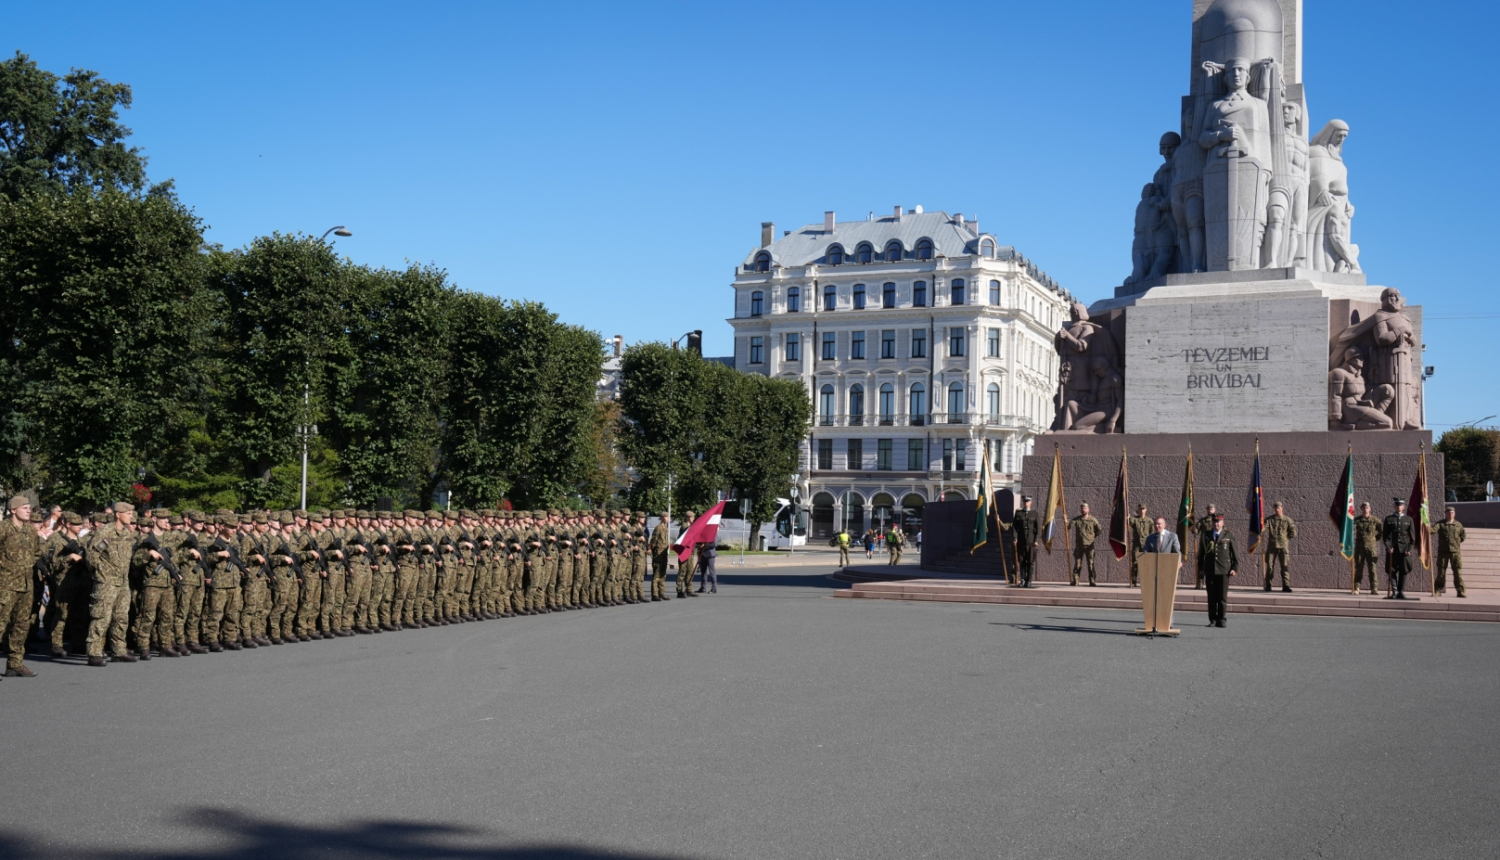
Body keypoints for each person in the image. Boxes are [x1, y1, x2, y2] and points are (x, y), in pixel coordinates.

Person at [85, 502, 139, 666]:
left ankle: (119, 650)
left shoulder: (126, 534)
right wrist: (100, 574)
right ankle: (94, 652)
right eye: (128, 513)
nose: (131, 516)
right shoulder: (106, 532)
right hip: (107, 582)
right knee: (102, 616)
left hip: (122, 582)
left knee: (121, 617)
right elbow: (92, 555)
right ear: (118, 514)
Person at [0, 495, 42, 677]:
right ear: (13, 510)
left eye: (29, 508)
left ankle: (15, 664)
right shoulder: (3, 528)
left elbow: (36, 553)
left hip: (26, 585)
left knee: (21, 625)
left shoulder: (30, 531)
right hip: (5, 585)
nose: (28, 510)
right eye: (24, 508)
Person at [1197, 513, 1238, 628]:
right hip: (1210, 570)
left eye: (1219, 521)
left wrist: (1234, 568)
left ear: (1222, 523)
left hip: (1224, 570)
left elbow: (1234, 553)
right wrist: (1200, 568)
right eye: (1215, 522)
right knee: (1211, 597)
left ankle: (1221, 619)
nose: (1216, 524)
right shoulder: (1206, 535)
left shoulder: (1228, 535)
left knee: (1222, 597)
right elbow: (1201, 554)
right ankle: (1212, 619)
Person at [1382, 498, 1416, 600]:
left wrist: (1409, 549)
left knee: (1403, 570)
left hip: (1404, 550)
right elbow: (1386, 536)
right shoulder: (1388, 519)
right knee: (1392, 570)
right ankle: (1395, 592)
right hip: (1393, 549)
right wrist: (1388, 547)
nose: (1399, 507)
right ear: (1394, 507)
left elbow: (1413, 538)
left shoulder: (1409, 519)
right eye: (1397, 505)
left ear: (1404, 507)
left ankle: (1401, 592)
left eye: (1400, 505)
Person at [1263, 502, 1298, 592]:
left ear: (1282, 508)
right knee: (1270, 566)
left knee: (1284, 566)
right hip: (1272, 546)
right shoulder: (1270, 520)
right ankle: (1268, 585)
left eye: (1278, 508)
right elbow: (1263, 529)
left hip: (1283, 547)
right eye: (1275, 508)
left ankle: (1286, 585)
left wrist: (1285, 539)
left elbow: (1293, 533)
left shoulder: (1288, 520)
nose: (1276, 509)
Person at [1433, 506, 1466, 598]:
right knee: (1441, 572)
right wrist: (1425, 527)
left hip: (1455, 552)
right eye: (1448, 513)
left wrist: (1456, 543)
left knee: (1457, 572)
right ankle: (1438, 590)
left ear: (1454, 514)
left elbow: (1463, 536)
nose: (1450, 514)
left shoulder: (1458, 525)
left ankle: (1460, 591)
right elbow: (1433, 530)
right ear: (1445, 514)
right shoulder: (1440, 524)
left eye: (1452, 512)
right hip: (1443, 552)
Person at [1068, 503, 1101, 586]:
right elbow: (1069, 527)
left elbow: (1099, 529)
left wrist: (1092, 537)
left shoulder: (1093, 520)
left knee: (1090, 564)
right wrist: (1065, 520)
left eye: (1085, 508)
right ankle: (1075, 580)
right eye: (1082, 508)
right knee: (1077, 564)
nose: (1083, 510)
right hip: (1079, 546)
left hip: (1089, 546)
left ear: (1088, 509)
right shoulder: (1077, 519)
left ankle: (1092, 580)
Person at [1352, 502, 1381, 595]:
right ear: (1361, 509)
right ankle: (1356, 587)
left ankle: (1374, 588)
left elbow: (1382, 531)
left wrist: (1375, 539)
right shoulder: (1357, 520)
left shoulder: (1374, 520)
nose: (1365, 509)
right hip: (1360, 548)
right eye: (1363, 508)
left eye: (1367, 507)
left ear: (1370, 509)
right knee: (1359, 568)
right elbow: (1351, 530)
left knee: (1372, 568)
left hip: (1371, 548)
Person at [1012, 496, 1041, 588]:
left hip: (1031, 541)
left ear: (1031, 502)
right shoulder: (1019, 514)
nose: (1026, 503)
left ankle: (1029, 580)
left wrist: (1036, 540)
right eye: (1024, 501)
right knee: (1022, 561)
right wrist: (1015, 538)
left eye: (1028, 501)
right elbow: (1015, 528)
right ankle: (1023, 579)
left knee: (1030, 562)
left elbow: (1039, 528)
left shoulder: (1035, 513)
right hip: (1021, 540)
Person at [1127, 504, 1153, 587]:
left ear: (1146, 510)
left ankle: (1146, 581)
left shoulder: (1149, 521)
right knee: (1135, 562)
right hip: (1137, 544)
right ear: (1138, 510)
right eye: (1140, 509)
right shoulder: (1135, 520)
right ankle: (1133, 581)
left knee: (1146, 563)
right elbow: (1129, 522)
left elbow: (1152, 533)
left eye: (1143, 509)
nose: (1142, 511)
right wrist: (1127, 517)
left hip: (1146, 544)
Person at [649, 512, 672, 602]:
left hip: (664, 553)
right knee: (657, 574)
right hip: (658, 554)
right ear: (662, 518)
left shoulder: (665, 528)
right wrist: (654, 552)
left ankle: (661, 593)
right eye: (666, 517)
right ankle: (655, 594)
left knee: (663, 574)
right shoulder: (658, 528)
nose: (667, 518)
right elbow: (653, 541)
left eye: (667, 517)